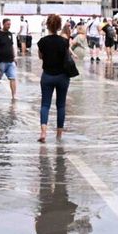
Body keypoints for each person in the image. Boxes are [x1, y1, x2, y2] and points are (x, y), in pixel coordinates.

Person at [37, 14, 73, 143]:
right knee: (61, 105)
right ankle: (59, 135)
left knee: (45, 104)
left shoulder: (42, 41)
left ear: (47, 25)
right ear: (59, 26)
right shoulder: (64, 41)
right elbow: (67, 56)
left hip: (47, 75)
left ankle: (43, 132)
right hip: (62, 76)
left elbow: (40, 57)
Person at [0, 20, 18, 101]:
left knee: (12, 78)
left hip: (10, 61)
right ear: (3, 24)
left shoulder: (10, 34)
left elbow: (11, 46)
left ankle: (14, 96)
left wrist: (14, 57)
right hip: (1, 61)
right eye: (7, 24)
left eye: (10, 24)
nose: (9, 26)